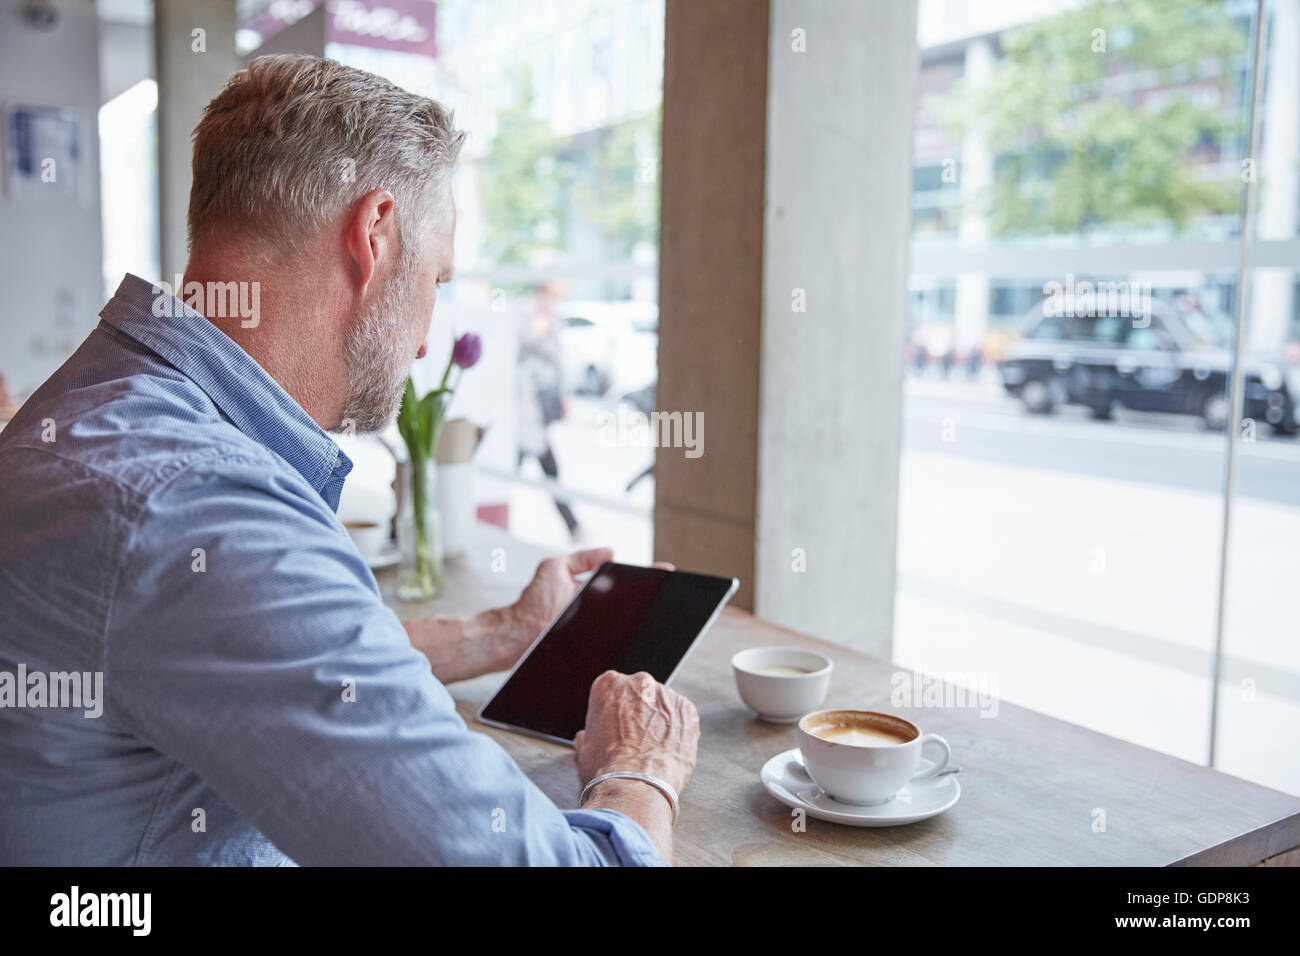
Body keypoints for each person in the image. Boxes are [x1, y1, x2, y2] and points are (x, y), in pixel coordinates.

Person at [0, 54, 698, 866]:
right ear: (374, 235)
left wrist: (506, 630)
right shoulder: (199, 504)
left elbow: (249, 656)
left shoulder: (102, 410)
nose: (429, 338)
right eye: (436, 278)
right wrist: (640, 774)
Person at [516, 289, 581, 537]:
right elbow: (529, 351)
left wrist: (564, 391)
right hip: (526, 410)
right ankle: (573, 524)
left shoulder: (549, 312)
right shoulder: (528, 310)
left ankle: (573, 523)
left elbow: (558, 359)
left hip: (535, 414)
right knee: (545, 466)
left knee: (547, 466)